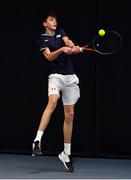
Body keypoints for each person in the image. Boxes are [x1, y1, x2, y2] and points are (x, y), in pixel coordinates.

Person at [32, 11, 81, 172]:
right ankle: (37, 140)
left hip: (70, 77)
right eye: (51, 20)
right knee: (52, 101)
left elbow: (68, 41)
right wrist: (62, 50)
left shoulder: (61, 32)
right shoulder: (42, 39)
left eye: (55, 20)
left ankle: (66, 154)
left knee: (70, 115)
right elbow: (49, 57)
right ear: (45, 23)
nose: (55, 22)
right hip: (56, 77)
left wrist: (73, 47)